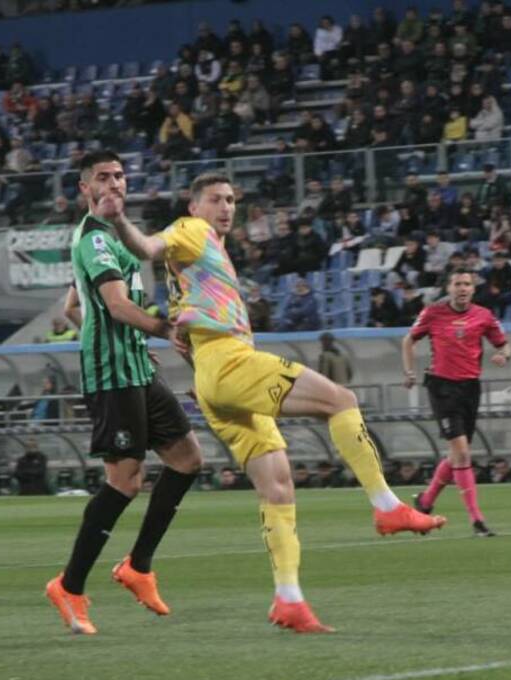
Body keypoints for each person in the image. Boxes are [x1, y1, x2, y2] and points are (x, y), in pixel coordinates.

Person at [103, 171, 445, 633]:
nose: (226, 208)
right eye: (216, 200)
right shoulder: (192, 230)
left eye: (230, 200)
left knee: (278, 485)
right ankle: (386, 507)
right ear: (194, 206)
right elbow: (147, 248)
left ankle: (289, 599)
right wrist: (120, 218)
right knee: (340, 400)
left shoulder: (209, 251)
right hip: (229, 364)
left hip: (212, 378)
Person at [47, 150, 204, 637]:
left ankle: (138, 565)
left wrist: (134, 336)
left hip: (134, 364)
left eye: (119, 176)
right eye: (103, 178)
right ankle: (69, 587)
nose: (113, 183)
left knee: (186, 458)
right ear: (84, 188)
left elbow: (75, 305)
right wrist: (160, 329)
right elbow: (115, 306)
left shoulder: (116, 235)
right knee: (125, 482)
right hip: (113, 375)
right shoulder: (94, 239)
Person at [402, 268, 511, 537]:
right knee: (462, 452)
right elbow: (409, 340)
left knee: (456, 455)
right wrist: (409, 371)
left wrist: (503, 356)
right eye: (457, 284)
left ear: (473, 289)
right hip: (441, 386)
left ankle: (425, 501)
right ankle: (477, 520)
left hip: (470, 388)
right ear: (449, 288)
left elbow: (504, 345)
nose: (462, 288)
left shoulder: (483, 316)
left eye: (467, 284)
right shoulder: (433, 313)